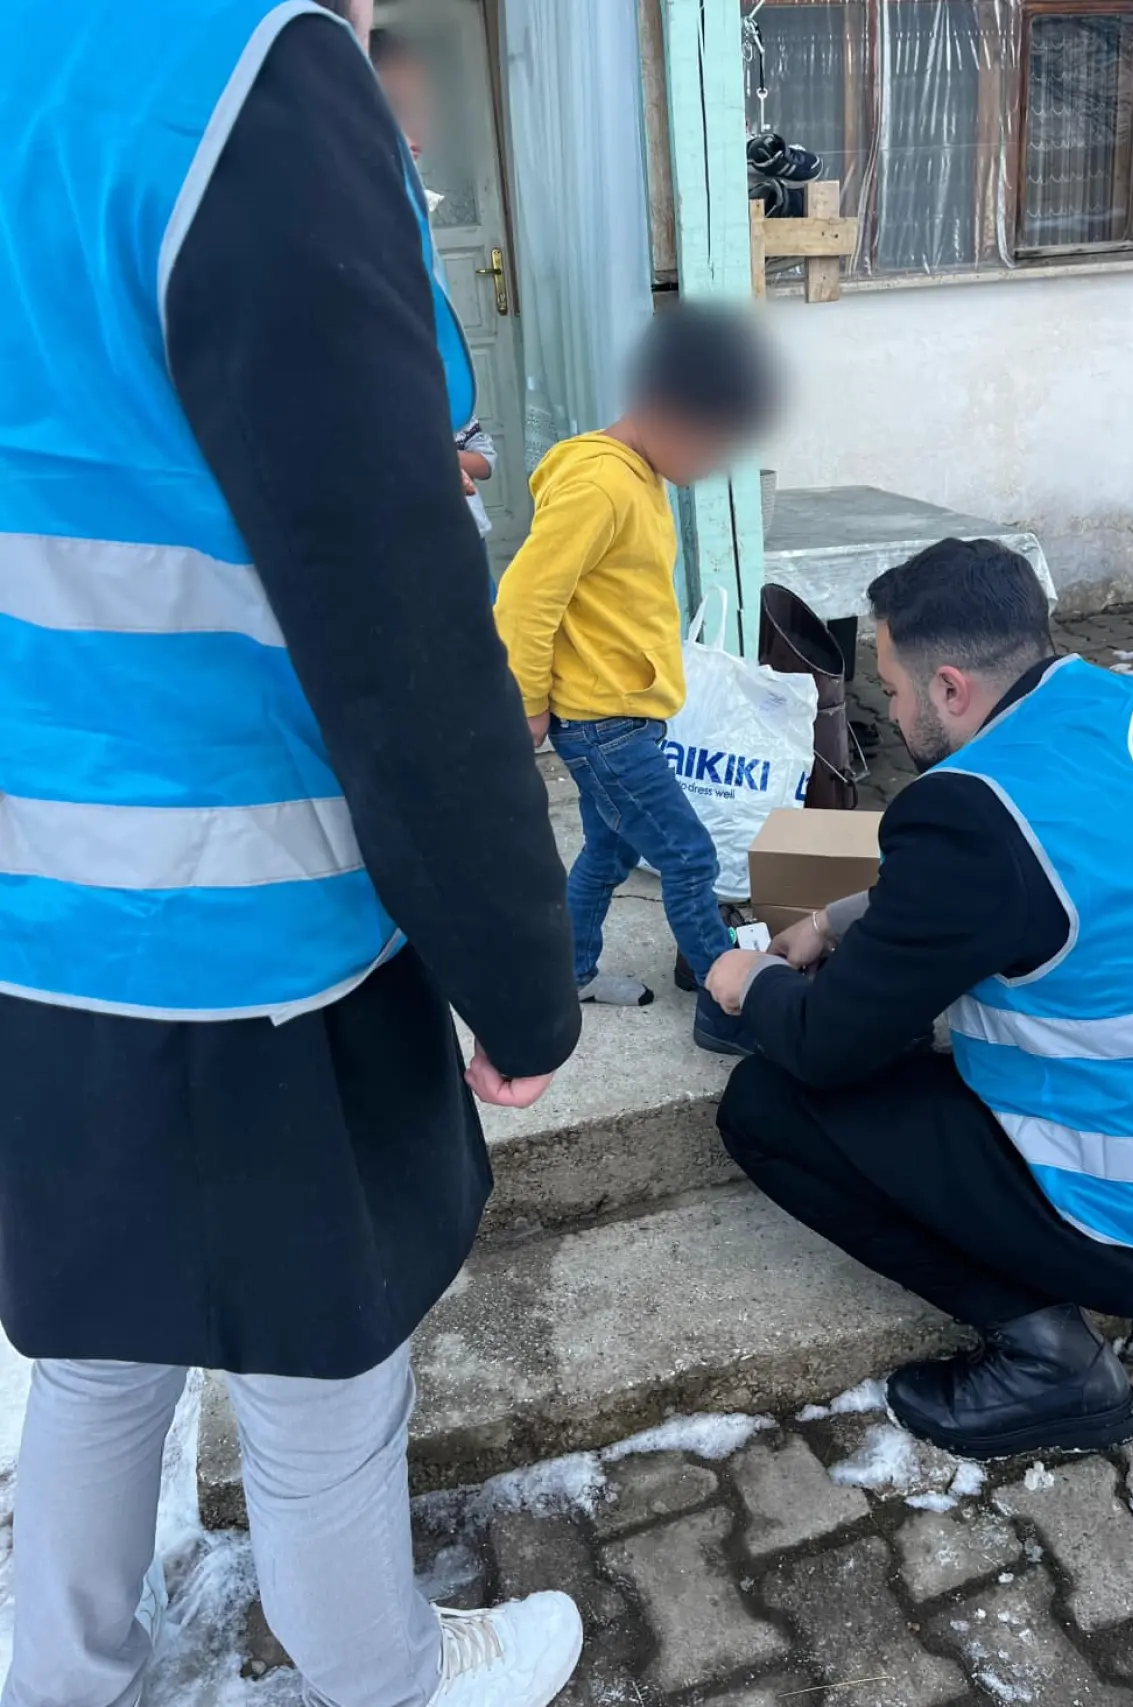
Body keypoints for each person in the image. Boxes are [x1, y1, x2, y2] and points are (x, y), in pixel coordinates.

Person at [0, 3, 585, 1705]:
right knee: (327, 1363)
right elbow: (402, 632)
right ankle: (383, 1669)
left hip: (25, 900)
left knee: (96, 1328)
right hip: (240, 912)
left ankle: (63, 1665)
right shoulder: (243, 76)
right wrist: (515, 978)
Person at [708, 539, 1133, 1461]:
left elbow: (824, 1044)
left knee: (769, 1106)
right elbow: (1033, 882)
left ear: (949, 688)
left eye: (889, 689)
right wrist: (840, 918)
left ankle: (1050, 1364)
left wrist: (755, 980)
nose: (886, 713)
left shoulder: (971, 807)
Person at [494, 304, 777, 1054]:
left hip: (624, 715)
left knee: (611, 852)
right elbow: (526, 598)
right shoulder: (600, 484)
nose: (714, 465)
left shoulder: (638, 476)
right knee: (688, 856)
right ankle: (728, 1003)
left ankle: (571, 973)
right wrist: (523, 703)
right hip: (603, 726)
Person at [368, 25, 500, 590]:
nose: (416, 131)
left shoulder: (409, 220)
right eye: (395, 108)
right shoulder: (343, 234)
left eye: (417, 109)